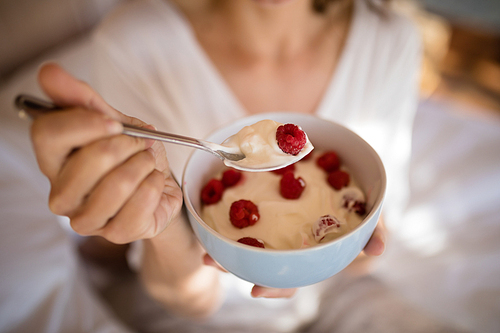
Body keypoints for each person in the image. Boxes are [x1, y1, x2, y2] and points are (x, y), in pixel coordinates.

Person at [2, 0, 464, 332]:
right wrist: (162, 225)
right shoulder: (135, 41)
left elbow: (374, 244)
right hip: (203, 310)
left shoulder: (391, 42)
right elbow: (186, 297)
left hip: (338, 289)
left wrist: (333, 253)